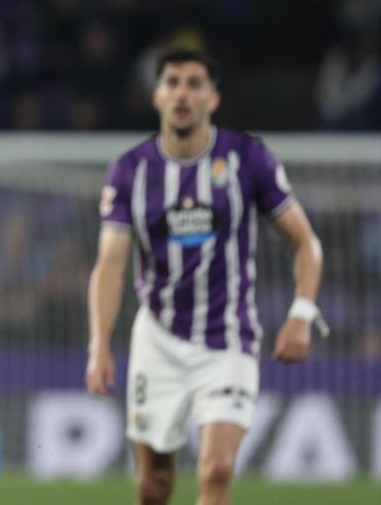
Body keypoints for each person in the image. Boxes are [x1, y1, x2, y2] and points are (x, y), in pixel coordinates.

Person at [86, 49, 326, 505]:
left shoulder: (247, 158)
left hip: (228, 338)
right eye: (172, 82)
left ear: (212, 98)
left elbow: (307, 243)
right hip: (156, 339)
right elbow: (110, 266)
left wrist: (301, 313)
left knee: (216, 471)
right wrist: (99, 344)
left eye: (194, 83)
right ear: (156, 96)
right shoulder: (130, 171)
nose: (182, 92)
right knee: (153, 486)